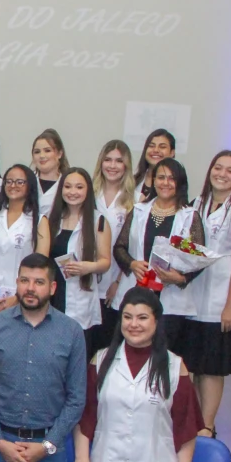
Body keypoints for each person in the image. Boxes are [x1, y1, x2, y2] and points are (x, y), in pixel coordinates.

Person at [68, 288, 203, 462]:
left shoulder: (175, 367)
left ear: (157, 322)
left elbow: (186, 427)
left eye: (142, 318)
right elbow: (85, 421)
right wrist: (81, 460)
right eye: (127, 317)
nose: (133, 324)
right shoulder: (100, 361)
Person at [0, 253, 86, 462]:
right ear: (17, 283)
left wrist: (47, 446)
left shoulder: (72, 332)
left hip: (48, 448)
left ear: (53, 288)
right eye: (24, 281)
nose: (30, 288)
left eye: (39, 282)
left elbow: (76, 399)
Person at [182, 151, 231, 439]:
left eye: (230, 170)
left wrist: (230, 307)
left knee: (212, 368)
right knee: (193, 366)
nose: (222, 174)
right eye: (218, 167)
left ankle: (207, 425)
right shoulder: (195, 205)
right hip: (193, 297)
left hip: (220, 300)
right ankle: (192, 420)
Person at [111, 158, 205, 355]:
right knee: (132, 356)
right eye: (160, 177)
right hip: (138, 293)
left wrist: (181, 278)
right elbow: (119, 247)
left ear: (180, 183)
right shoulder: (139, 210)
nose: (165, 182)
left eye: (171, 178)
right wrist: (132, 263)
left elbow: (199, 259)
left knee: (165, 360)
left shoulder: (190, 216)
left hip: (172, 302)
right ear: (153, 181)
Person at [37, 168, 111, 349]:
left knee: (75, 350)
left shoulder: (98, 220)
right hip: (52, 293)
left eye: (79, 187)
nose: (73, 192)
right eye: (68, 187)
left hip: (80, 292)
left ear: (88, 191)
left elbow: (105, 261)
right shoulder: (51, 219)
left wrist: (89, 267)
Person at [0, 164, 40, 321]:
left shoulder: (38, 220)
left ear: (29, 185)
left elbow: (41, 265)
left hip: (24, 299)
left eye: (20, 182)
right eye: (9, 181)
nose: (13, 186)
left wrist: (18, 297)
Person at [92, 140, 137, 349]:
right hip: (88, 280)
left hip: (116, 283)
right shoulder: (89, 194)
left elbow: (132, 247)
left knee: (108, 345)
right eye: (108, 159)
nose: (112, 165)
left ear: (127, 165)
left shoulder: (136, 200)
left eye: (119, 161)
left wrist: (118, 282)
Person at [31, 128, 69, 218]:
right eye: (37, 152)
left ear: (59, 154)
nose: (42, 156)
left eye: (47, 150)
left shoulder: (67, 183)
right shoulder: (26, 181)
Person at [134, 129, 176, 203]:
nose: (156, 150)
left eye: (162, 147)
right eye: (151, 146)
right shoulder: (133, 180)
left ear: (172, 153)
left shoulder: (175, 183)